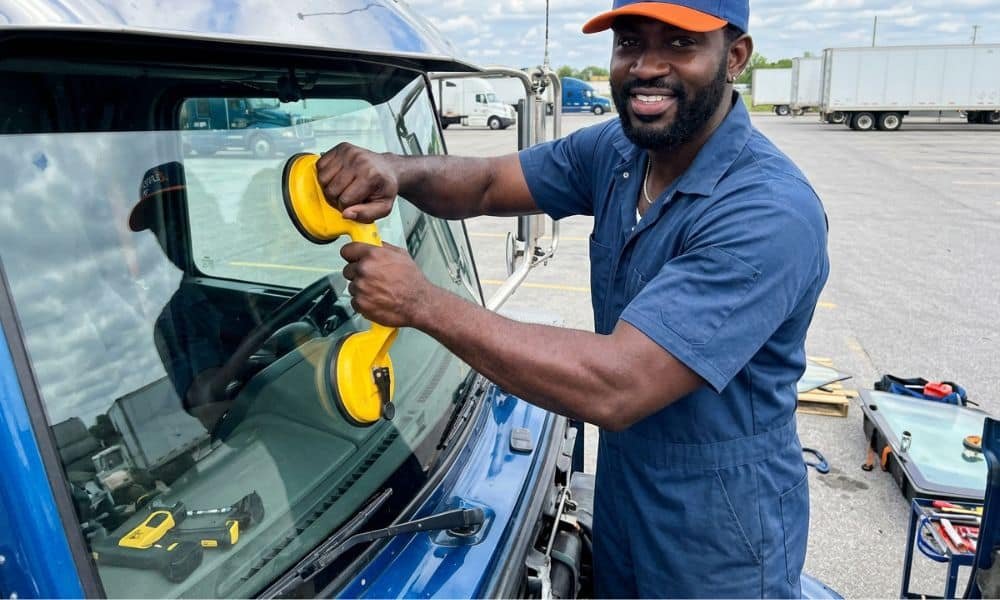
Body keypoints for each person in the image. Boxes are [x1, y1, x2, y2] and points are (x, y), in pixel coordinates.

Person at [315, 0, 829, 596]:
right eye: (630, 43)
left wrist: (421, 304)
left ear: (734, 57)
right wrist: (394, 170)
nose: (648, 66)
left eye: (681, 45)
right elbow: (485, 184)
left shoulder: (766, 211)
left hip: (720, 533)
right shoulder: (618, 154)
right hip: (626, 492)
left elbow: (619, 384)